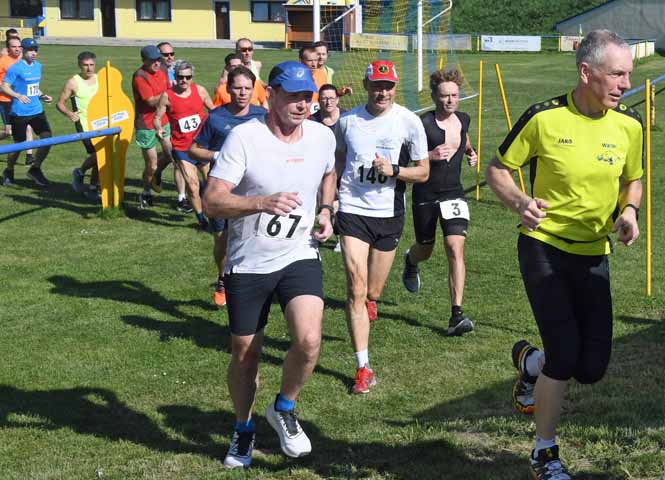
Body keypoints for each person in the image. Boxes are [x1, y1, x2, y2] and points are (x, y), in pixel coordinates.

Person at [485, 30, 642, 480]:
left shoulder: (628, 125)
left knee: (591, 368)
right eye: (616, 74)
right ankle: (544, 452)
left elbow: (632, 177)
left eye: (627, 74)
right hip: (544, 247)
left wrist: (628, 210)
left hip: (595, 251)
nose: (625, 83)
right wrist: (520, 202)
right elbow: (498, 168)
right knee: (565, 352)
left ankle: (529, 363)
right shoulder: (543, 118)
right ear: (586, 72)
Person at [202, 60, 336, 468]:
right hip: (248, 261)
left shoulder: (321, 137)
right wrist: (261, 202)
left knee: (309, 340)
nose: (301, 105)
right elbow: (212, 199)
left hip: (298, 253)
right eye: (293, 96)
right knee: (246, 355)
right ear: (271, 96)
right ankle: (243, 428)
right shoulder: (245, 138)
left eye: (307, 97)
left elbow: (329, 172)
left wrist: (327, 210)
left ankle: (283, 407)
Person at [335, 60, 429, 394]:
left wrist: (395, 171)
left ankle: (371, 299)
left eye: (388, 86)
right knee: (355, 288)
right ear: (366, 86)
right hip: (352, 210)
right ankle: (363, 367)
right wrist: (328, 201)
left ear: (395, 87)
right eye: (376, 86)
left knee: (372, 290)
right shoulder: (347, 122)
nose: (382, 92)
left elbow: (423, 172)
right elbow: (338, 161)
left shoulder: (409, 122)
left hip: (388, 213)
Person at [401, 69, 478, 336]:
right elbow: (406, 162)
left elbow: (463, 139)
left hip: (453, 193)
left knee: (455, 247)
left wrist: (471, 152)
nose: (450, 101)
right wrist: (430, 156)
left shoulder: (464, 119)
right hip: (426, 194)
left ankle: (456, 315)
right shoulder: (422, 124)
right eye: (444, 96)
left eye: (454, 95)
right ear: (434, 96)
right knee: (426, 248)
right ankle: (411, 261)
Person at [189, 65, 267, 307]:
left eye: (247, 88)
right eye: (237, 88)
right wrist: (216, 156)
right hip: (221, 191)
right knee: (222, 241)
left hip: (253, 190)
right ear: (228, 89)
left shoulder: (262, 116)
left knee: (253, 238)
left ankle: (253, 282)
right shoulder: (215, 117)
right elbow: (193, 149)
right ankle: (222, 279)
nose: (242, 93)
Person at [153, 60, 214, 229]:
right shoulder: (167, 96)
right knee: (193, 187)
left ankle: (218, 214)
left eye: (188, 77)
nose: (184, 81)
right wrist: (158, 129)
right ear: (175, 76)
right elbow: (157, 117)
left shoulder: (200, 91)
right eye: (181, 77)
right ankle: (202, 220)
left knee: (212, 184)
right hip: (181, 148)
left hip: (202, 146)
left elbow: (214, 111)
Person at [1, 38, 53, 187]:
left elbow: (34, 87)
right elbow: (5, 87)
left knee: (47, 138)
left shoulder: (38, 66)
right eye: (30, 50)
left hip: (37, 110)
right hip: (19, 112)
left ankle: (35, 168)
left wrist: (42, 96)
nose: (33, 53)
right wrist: (17, 96)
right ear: (23, 50)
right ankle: (9, 170)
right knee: (19, 145)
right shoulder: (15, 68)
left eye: (35, 50)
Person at [131, 44, 172, 209]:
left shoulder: (162, 70)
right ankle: (146, 192)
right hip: (146, 124)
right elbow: (150, 101)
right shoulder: (140, 76)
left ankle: (156, 175)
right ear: (144, 61)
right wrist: (170, 97)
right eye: (152, 60)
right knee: (151, 163)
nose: (157, 63)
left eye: (158, 59)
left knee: (171, 155)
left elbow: (168, 89)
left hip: (164, 119)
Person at [56, 51, 101, 200]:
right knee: (98, 155)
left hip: (101, 123)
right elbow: (60, 104)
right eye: (85, 65)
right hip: (84, 124)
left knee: (102, 157)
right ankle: (80, 173)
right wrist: (70, 114)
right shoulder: (73, 82)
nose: (89, 68)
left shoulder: (100, 79)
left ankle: (93, 186)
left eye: (91, 65)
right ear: (79, 65)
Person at [155, 41, 188, 209]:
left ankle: (156, 170)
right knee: (177, 159)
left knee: (172, 157)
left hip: (179, 120)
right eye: (165, 54)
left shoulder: (178, 69)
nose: (169, 57)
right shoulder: (154, 73)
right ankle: (181, 199)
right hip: (163, 121)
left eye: (171, 54)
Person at [0, 36, 21, 142]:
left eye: (19, 46)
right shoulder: (3, 61)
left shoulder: (22, 61)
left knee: (25, 127)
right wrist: (5, 87)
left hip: (18, 100)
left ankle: (29, 155)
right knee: (9, 131)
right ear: (8, 48)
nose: (17, 49)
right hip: (5, 100)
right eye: (14, 47)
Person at [299, 45, 326, 114]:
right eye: (310, 61)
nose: (314, 64)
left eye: (315, 60)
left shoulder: (321, 74)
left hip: (318, 116)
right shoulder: (295, 77)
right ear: (301, 61)